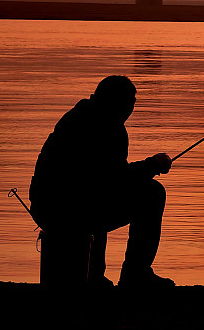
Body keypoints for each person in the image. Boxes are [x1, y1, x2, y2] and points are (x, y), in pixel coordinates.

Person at [29, 75, 174, 290]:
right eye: (129, 103)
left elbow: (102, 183)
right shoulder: (104, 126)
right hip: (64, 210)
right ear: (119, 102)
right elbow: (111, 180)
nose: (130, 110)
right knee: (152, 194)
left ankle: (94, 275)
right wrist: (151, 166)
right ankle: (134, 274)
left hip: (49, 208)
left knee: (96, 199)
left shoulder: (80, 116)